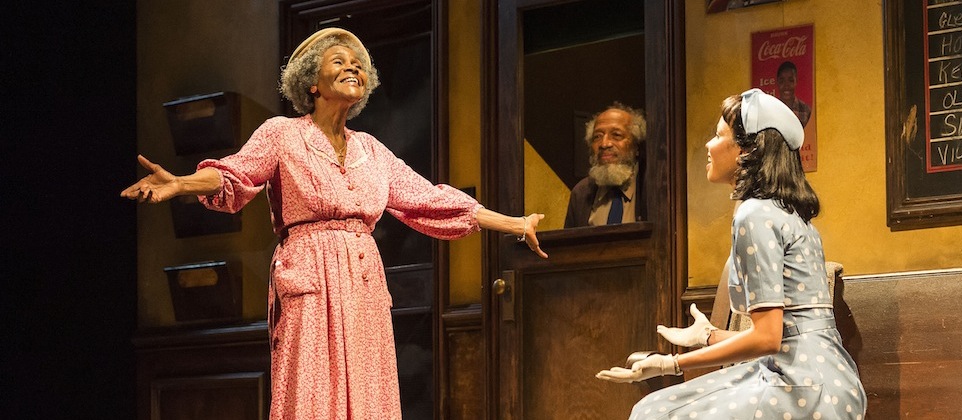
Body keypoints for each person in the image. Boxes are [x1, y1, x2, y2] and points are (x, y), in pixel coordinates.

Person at [121, 27, 548, 419]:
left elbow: (431, 199)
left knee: (368, 392)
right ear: (312, 82)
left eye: (358, 64)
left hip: (362, 283)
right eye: (339, 61)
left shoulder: (372, 151)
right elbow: (236, 173)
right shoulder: (283, 134)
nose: (353, 68)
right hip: (308, 275)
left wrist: (513, 223)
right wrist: (180, 182)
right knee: (309, 392)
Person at [596, 88, 865, 420]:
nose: (708, 145)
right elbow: (789, 330)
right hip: (828, 380)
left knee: (656, 413)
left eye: (719, 135)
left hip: (803, 387)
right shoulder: (791, 215)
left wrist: (673, 363)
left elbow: (768, 338)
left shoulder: (753, 214)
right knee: (656, 409)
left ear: (746, 151)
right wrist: (708, 335)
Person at [564, 103, 646, 228]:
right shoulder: (581, 193)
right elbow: (570, 246)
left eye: (616, 135)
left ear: (636, 146)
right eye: (598, 136)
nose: (604, 144)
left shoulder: (653, 187)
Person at [776, 61, 812, 127]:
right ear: (777, 82)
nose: (786, 86)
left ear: (796, 82)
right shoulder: (771, 109)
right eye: (782, 81)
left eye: (791, 80)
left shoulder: (806, 111)